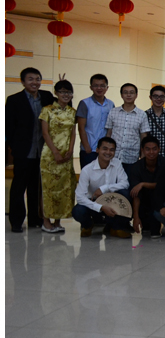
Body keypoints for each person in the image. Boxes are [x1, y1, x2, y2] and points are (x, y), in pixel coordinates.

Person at [72, 137, 131, 238]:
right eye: (105, 149)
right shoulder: (87, 170)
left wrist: (104, 188)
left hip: (112, 202)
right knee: (78, 211)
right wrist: (101, 207)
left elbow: (125, 183)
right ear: (97, 150)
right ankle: (88, 225)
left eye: (111, 150)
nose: (108, 152)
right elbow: (80, 197)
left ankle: (116, 228)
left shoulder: (117, 163)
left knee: (125, 194)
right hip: (93, 203)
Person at [39, 79, 77, 233]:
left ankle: (58, 221)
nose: (65, 95)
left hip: (66, 155)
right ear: (56, 93)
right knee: (48, 188)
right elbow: (45, 133)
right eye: (62, 92)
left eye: (68, 92)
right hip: (50, 155)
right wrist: (55, 152)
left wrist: (71, 150)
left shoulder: (72, 111)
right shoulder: (47, 110)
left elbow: (73, 133)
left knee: (64, 188)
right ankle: (46, 220)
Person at [128, 136, 165, 238]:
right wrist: (136, 217)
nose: (151, 152)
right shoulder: (136, 167)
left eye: (154, 149)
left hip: (161, 199)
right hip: (144, 201)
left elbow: (164, 185)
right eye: (147, 149)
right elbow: (135, 194)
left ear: (159, 149)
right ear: (142, 150)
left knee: (155, 231)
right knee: (147, 229)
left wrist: (143, 184)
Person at [105, 83, 149, 170]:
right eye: (125, 92)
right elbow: (109, 134)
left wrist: (143, 155)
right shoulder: (113, 112)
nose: (128, 95)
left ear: (136, 95)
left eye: (131, 92)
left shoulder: (142, 114)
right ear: (121, 95)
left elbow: (143, 137)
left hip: (132, 157)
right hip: (113, 156)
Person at [76, 74, 114, 169]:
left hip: (105, 151)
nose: (99, 88)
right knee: (88, 176)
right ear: (91, 87)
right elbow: (81, 128)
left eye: (102, 86)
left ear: (107, 88)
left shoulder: (111, 104)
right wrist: (87, 147)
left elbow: (111, 127)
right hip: (89, 149)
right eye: (96, 85)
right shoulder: (85, 103)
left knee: (105, 176)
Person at [145, 85, 165, 160]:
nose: (158, 99)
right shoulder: (144, 115)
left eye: (161, 97)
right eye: (155, 96)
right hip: (150, 155)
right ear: (150, 97)